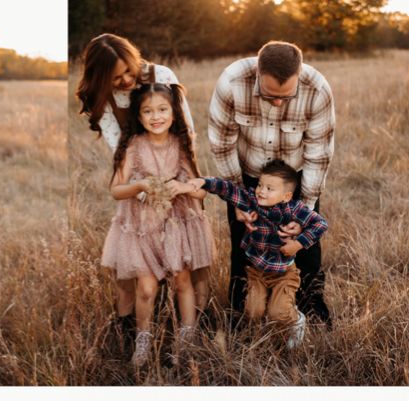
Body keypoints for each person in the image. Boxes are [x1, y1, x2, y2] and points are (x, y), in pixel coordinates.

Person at [76, 34, 197, 350]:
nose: (128, 81)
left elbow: (187, 130)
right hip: (138, 188)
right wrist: (147, 193)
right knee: (133, 272)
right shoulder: (101, 100)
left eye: (129, 71)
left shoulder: (163, 77)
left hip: (176, 179)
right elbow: (120, 150)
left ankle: (188, 325)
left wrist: (182, 183)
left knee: (184, 261)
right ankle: (130, 330)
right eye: (117, 79)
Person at [208, 41, 334, 322]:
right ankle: (242, 312)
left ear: (299, 76)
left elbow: (318, 154)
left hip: (296, 178)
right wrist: (237, 199)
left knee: (306, 248)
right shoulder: (232, 82)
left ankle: (310, 306)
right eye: (269, 95)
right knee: (243, 242)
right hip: (248, 177)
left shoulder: (317, 89)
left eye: (286, 96)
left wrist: (305, 210)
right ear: (257, 74)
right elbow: (222, 144)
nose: (278, 102)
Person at [102, 83, 214, 368]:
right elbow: (116, 190)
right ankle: (143, 338)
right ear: (139, 117)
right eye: (148, 111)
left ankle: (187, 337)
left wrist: (182, 187)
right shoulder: (134, 147)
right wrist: (140, 184)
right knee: (147, 288)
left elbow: (201, 191)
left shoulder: (181, 144)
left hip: (176, 227)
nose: (156, 116)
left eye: (163, 109)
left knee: (182, 280)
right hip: (142, 228)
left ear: (173, 113)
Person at [185, 159, 327, 347]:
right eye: (260, 185)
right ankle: (261, 337)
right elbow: (228, 189)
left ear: (286, 196)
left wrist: (298, 244)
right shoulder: (252, 201)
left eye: (269, 188)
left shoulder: (294, 208)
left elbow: (320, 224)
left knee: (278, 313)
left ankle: (296, 319)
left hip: (284, 273)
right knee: (253, 311)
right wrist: (203, 182)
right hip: (257, 272)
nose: (261, 191)